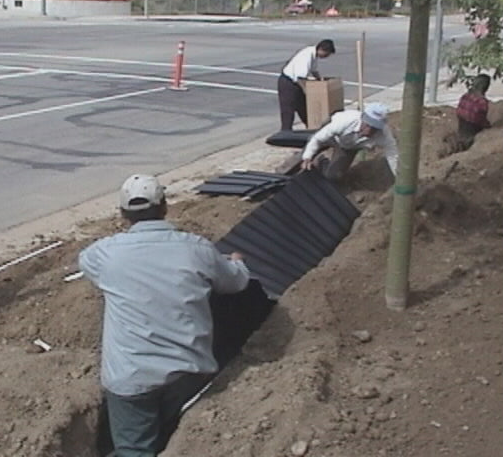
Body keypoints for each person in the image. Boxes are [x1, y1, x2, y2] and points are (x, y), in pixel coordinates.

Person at [79, 174, 250, 457]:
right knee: (170, 432)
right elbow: (235, 283)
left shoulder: (104, 255)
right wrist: (238, 264)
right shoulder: (197, 249)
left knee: (134, 448)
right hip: (187, 375)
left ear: (123, 214)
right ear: (164, 207)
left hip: (130, 379)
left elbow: (86, 263)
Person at [301, 102, 398, 180]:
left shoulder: (384, 135)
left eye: (374, 128)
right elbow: (318, 138)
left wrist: (398, 178)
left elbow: (393, 155)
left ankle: (321, 161)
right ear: (362, 119)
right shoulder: (345, 121)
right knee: (308, 150)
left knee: (333, 176)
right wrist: (307, 156)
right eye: (367, 125)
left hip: (349, 147)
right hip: (334, 136)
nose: (368, 131)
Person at [278, 39, 336, 130]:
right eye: (326, 54)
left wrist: (320, 80)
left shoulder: (313, 54)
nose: (326, 57)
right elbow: (300, 78)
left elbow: (314, 70)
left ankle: (312, 127)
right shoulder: (307, 55)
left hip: (296, 83)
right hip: (288, 82)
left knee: (303, 108)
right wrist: (307, 91)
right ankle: (285, 131)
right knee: (288, 109)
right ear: (322, 49)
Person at [452, 73, 491, 153]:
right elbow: (481, 121)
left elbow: (459, 113)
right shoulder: (482, 102)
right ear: (485, 87)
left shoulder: (464, 97)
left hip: (461, 131)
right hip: (472, 135)